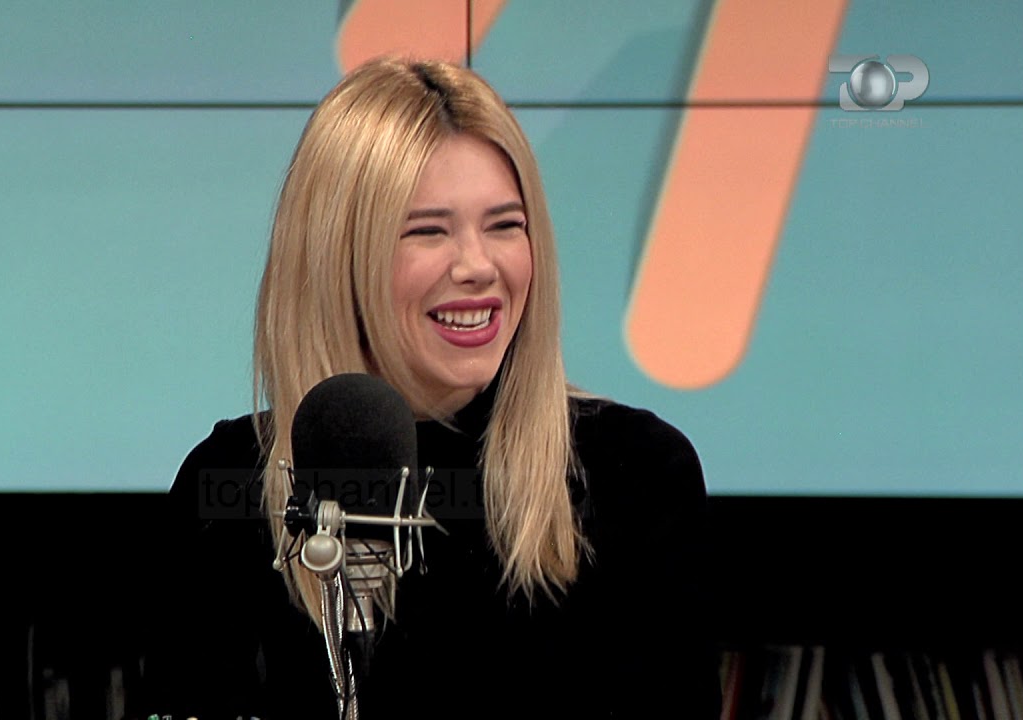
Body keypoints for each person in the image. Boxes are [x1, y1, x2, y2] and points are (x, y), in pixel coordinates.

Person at [149, 56, 721, 719]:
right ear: (340, 256)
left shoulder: (637, 473)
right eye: (428, 231)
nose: (478, 266)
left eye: (505, 225)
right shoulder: (229, 486)